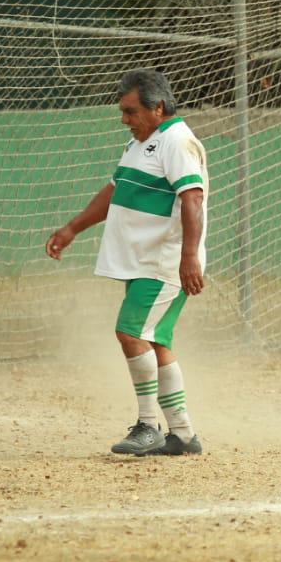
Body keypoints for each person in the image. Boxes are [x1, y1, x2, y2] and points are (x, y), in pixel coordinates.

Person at [45, 70, 208, 457]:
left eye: (131, 111)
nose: (125, 119)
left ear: (158, 107)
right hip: (144, 263)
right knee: (154, 339)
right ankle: (182, 434)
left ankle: (149, 426)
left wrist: (188, 257)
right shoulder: (142, 143)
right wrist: (72, 228)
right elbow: (115, 191)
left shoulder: (178, 141)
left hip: (163, 263)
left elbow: (193, 200)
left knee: (129, 332)